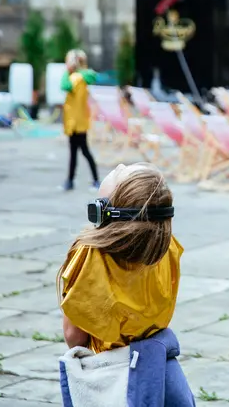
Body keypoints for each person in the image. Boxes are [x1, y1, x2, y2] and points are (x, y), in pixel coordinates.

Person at [57, 163, 194, 405]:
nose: (120, 165)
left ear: (105, 210)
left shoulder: (91, 255)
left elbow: (73, 334)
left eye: (121, 172)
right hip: (159, 368)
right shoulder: (166, 246)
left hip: (111, 374)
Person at [61, 50, 99, 191]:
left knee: (82, 151)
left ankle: (92, 180)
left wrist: (67, 71)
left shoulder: (75, 78)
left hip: (75, 122)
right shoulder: (83, 77)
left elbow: (64, 85)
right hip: (78, 121)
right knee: (78, 152)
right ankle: (71, 180)